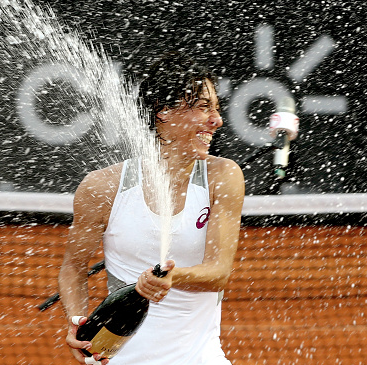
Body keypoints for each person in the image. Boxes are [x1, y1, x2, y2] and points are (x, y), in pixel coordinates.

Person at [58, 51, 245, 365]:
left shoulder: (224, 176)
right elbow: (73, 268)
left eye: (215, 107)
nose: (217, 120)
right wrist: (78, 322)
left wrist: (171, 277)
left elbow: (219, 272)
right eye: (203, 107)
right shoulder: (100, 187)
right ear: (164, 112)